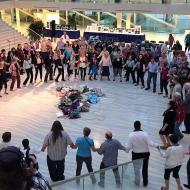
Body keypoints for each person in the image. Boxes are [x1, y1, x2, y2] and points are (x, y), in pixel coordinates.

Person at [125, 121, 158, 187]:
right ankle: (145, 183)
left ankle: (137, 182)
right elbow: (151, 144)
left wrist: (126, 149)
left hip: (136, 154)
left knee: (136, 169)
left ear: (134, 126)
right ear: (140, 126)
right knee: (145, 168)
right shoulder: (145, 134)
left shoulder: (131, 135)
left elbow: (128, 147)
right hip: (145, 154)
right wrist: (157, 145)